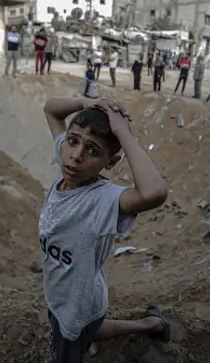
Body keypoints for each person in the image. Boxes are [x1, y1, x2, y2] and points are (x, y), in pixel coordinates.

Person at [41, 97, 169, 363]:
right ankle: (151, 325)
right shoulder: (69, 163)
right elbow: (51, 110)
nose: (76, 155)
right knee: (91, 328)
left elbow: (154, 193)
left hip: (76, 303)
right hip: (70, 292)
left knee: (74, 336)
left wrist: (122, 131)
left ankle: (147, 326)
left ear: (110, 162)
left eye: (93, 151)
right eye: (73, 141)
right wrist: (87, 102)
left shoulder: (103, 200)